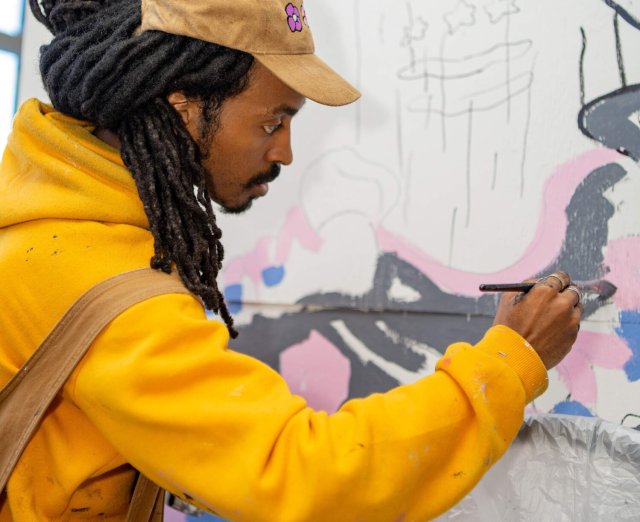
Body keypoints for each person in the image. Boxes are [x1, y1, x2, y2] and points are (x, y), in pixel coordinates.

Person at [0, 0, 584, 520]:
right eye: (272, 121)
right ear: (180, 106)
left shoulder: (55, 223)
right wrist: (511, 362)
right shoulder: (100, 285)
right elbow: (305, 476)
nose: (284, 151)